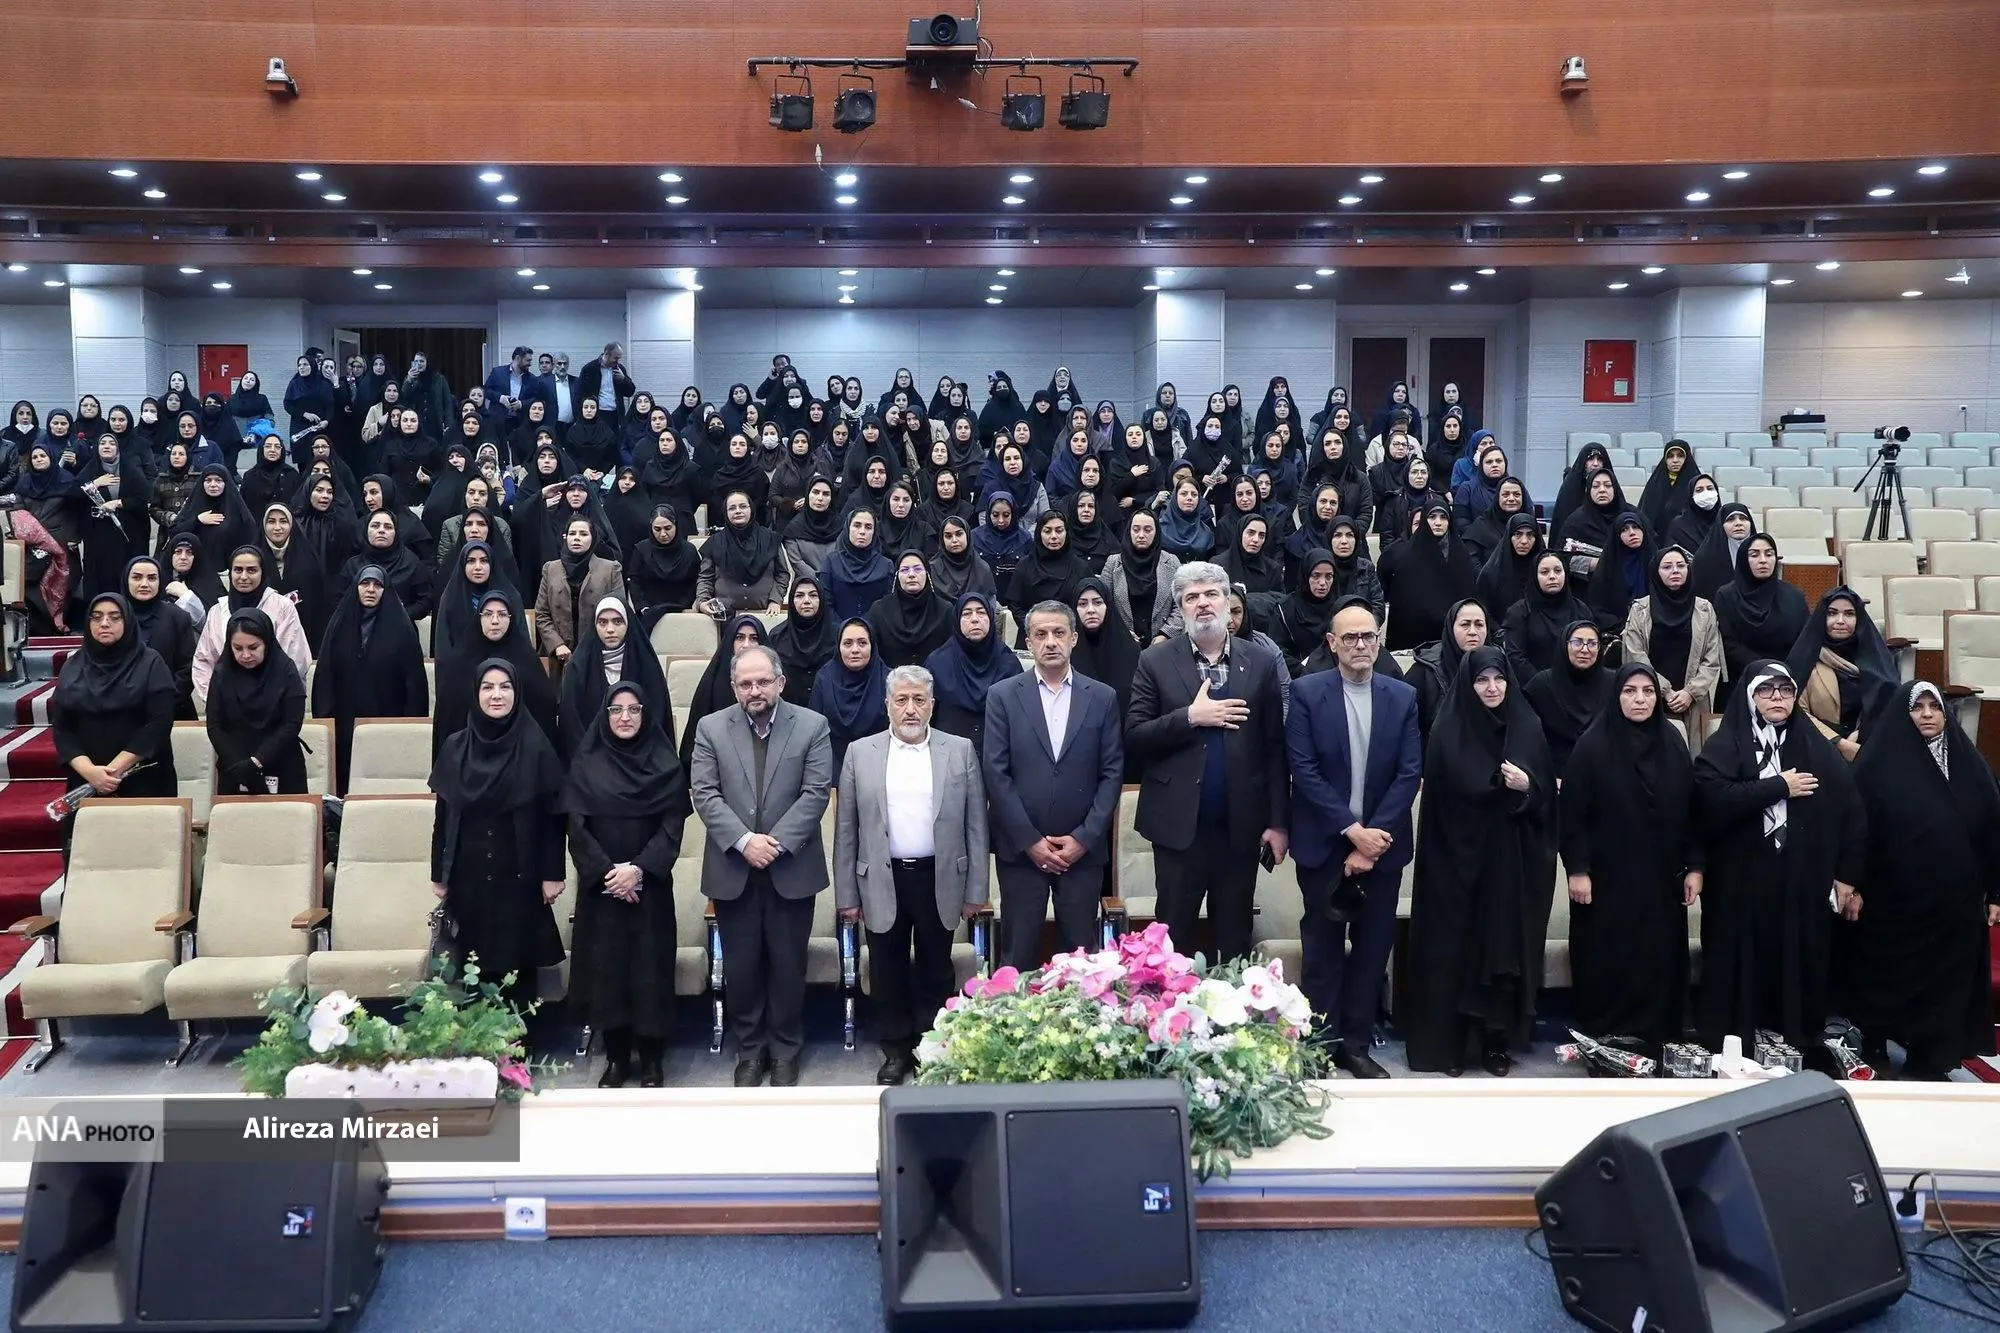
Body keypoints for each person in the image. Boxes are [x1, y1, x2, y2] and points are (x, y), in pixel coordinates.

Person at [1693, 662, 1865, 1057]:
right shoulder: (1725, 744)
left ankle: (1792, 1040)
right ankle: (1734, 1043)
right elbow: (1709, 800)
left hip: (1800, 880)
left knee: (1796, 959)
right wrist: (1776, 787)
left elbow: (1852, 813)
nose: (1777, 698)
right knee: (1738, 961)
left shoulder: (1815, 748)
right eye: (1766, 690)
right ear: (1750, 696)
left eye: (1785, 690)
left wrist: (1847, 875)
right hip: (1739, 880)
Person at [1124, 563, 1290, 965]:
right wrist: (1190, 718)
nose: (1202, 604)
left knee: (1233, 941)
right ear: (1180, 607)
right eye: (1191, 597)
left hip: (1240, 829)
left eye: (1211, 594)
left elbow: (1274, 748)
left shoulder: (1261, 661)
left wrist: (1279, 822)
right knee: (1172, 941)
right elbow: (1135, 736)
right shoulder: (1155, 660)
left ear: (1227, 601)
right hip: (1178, 830)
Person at [1403, 647, 1558, 1077]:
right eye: (1481, 680)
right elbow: (1441, 802)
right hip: (1456, 867)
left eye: (1499, 679)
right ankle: (1452, 1045)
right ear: (1468, 684)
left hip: (1509, 867)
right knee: (1456, 953)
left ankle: (1495, 1043)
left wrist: (1528, 786)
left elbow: (1546, 795)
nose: (1492, 688)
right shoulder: (1448, 728)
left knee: (1501, 952)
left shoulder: (1527, 726)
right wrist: (1488, 787)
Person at [1286, 601, 1422, 1078]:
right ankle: (1318, 1045)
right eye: (1350, 637)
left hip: (1382, 850)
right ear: (1332, 643)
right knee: (1322, 950)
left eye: (1368, 636)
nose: (1360, 645)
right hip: (1325, 845)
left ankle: (1357, 1046)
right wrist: (1351, 831)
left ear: (1379, 641)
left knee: (1371, 950)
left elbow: (1409, 773)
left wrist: (1371, 841)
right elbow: (1303, 770)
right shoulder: (1306, 693)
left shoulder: (1402, 696)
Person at [688, 643, 834, 1088]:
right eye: (745, 683)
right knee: (742, 967)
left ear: (780, 683)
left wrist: (776, 844)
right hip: (734, 869)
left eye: (763, 682)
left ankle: (786, 1050)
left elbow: (816, 793)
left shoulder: (812, 725)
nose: (755, 690)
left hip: (792, 869)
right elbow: (704, 793)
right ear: (734, 687)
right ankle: (750, 1050)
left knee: (788, 965)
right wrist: (745, 842)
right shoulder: (711, 728)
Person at [835, 665, 989, 1085]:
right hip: (881, 880)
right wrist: (847, 895)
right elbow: (846, 830)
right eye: (901, 700)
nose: (910, 709)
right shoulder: (859, 753)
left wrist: (976, 889)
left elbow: (976, 825)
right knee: (887, 969)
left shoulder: (959, 750)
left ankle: (931, 1048)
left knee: (936, 968)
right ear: (887, 705)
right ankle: (895, 1049)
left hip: (939, 876)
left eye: (919, 700)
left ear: (932, 705)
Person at [1841, 681, 2000, 1080]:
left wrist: (1995, 892)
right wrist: (1852, 883)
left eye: (1935, 706)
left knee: (1945, 984)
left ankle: (1930, 1057)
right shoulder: (1876, 764)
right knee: (1885, 978)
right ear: (1903, 713)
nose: (1928, 714)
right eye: (1918, 707)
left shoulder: (1969, 763)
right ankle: (1875, 1043)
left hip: (1955, 903)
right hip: (1892, 900)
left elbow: (1993, 829)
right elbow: (1855, 829)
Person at [1560, 664, 1702, 1056]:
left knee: (1657, 954)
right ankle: (1606, 1037)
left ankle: (1657, 1034)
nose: (1639, 699)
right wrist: (1578, 869)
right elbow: (1572, 816)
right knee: (1609, 955)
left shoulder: (1672, 742)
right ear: (1616, 695)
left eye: (1648, 691)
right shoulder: (1592, 746)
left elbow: (1693, 810)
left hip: (1661, 877)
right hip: (1606, 878)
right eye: (1629, 691)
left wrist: (1695, 865)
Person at [981, 602, 1125, 971]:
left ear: (1074, 638)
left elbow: (1111, 773)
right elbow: (996, 773)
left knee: (1081, 962)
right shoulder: (1002, 695)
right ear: (1028, 642)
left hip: (1082, 854)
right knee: (1018, 958)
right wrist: (1030, 841)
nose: (1050, 642)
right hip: (1021, 853)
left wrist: (1083, 839)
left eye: (1059, 633)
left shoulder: (1102, 697)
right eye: (1041, 634)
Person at [563, 683, 692, 1088]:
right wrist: (608, 873)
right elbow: (576, 828)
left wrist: (638, 871)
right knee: (607, 972)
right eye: (616, 709)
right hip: (601, 892)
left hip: (649, 890)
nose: (625, 717)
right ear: (604, 715)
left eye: (634, 709)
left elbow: (672, 826)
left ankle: (652, 1058)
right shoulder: (585, 764)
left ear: (646, 715)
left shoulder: (665, 765)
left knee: (649, 970)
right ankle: (616, 1058)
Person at [429, 659, 568, 1010]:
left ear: (517, 693)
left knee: (518, 968)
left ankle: (519, 1042)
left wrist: (553, 873)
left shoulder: (536, 746)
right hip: (468, 874)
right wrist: (439, 874)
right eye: (488, 687)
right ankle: (479, 1042)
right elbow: (443, 816)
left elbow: (554, 818)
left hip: (520, 874)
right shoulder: (455, 747)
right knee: (472, 968)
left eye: (505, 687)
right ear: (475, 694)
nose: (496, 695)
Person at [51, 593, 178, 807]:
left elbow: (158, 724)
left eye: (114, 617)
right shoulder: (73, 665)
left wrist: (114, 771)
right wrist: (90, 772)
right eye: (97, 617)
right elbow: (62, 728)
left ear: (127, 621)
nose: (104, 623)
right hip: (86, 779)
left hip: (142, 777)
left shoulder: (151, 663)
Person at [312, 565, 428, 792]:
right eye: (365, 583)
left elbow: (414, 684)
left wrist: (409, 725)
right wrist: (326, 720)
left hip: (389, 721)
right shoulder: (339, 625)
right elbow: (325, 676)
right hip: (345, 722)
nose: (371, 589)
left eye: (378, 585)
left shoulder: (402, 628)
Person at [434, 588, 558, 753]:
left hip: (520, 752)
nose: (495, 621)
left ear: (511, 618)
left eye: (502, 614)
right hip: (469, 753)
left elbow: (544, 709)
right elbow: (448, 716)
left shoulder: (527, 661)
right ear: (478, 618)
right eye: (487, 614)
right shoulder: (458, 663)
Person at [1620, 545, 1724, 741]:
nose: (1675, 571)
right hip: (1650, 694)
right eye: (1667, 567)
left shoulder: (1704, 609)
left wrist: (1689, 693)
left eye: (1681, 566)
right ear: (1656, 572)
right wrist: (1665, 691)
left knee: (1692, 752)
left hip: (1692, 700)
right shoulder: (1640, 609)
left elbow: (1711, 659)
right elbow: (1635, 655)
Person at [1784, 586, 1898, 761]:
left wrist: (1860, 736)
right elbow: (1795, 710)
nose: (1840, 621)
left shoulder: (1878, 661)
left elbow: (1889, 708)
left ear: (1859, 619)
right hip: (1817, 749)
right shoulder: (1805, 659)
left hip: (1870, 749)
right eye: (1832, 613)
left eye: (1849, 614)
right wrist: (1839, 743)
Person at [204, 608, 308, 795]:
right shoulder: (222, 673)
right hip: (234, 767)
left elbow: (291, 724)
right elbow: (214, 725)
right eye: (238, 648)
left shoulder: (285, 670)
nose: (245, 655)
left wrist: (256, 761)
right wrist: (239, 764)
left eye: (253, 648)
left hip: (282, 763)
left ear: (266, 643)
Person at [192, 546, 313, 705]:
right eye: (238, 570)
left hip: (275, 703)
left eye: (251, 570)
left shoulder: (282, 607)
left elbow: (295, 657)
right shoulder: (217, 611)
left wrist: (268, 698)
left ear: (263, 572)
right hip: (228, 705)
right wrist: (216, 699)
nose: (243, 576)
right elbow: (203, 661)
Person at [558, 596, 671, 759]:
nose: (610, 629)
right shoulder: (578, 667)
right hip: (590, 760)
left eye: (618, 622)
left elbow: (657, 719)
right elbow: (572, 724)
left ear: (628, 624)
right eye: (602, 622)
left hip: (641, 757)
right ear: (594, 626)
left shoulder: (646, 664)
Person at [925, 592, 1021, 757]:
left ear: (991, 618)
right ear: (957, 620)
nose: (975, 619)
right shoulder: (937, 663)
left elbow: (1018, 718)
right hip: (948, 755)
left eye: (981, 612)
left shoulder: (1008, 663)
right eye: (967, 614)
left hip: (997, 754)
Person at [1377, 501, 1477, 653]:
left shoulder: (1461, 553)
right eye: (1432, 517)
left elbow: (1468, 593)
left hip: (1451, 637)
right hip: (1411, 638)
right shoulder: (1404, 555)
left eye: (1443, 517)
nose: (1438, 522)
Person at [1713, 534, 1810, 684]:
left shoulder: (1794, 596)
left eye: (1769, 554)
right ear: (1743, 560)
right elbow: (1727, 643)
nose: (1763, 560)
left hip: (1789, 675)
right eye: (1754, 555)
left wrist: (1784, 671)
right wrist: (1765, 669)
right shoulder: (1726, 596)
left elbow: (1805, 639)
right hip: (1743, 677)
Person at [1524, 620, 1614, 779]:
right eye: (1577, 642)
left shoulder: (1614, 683)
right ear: (1564, 645)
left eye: (1592, 644)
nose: (1585, 649)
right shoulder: (1542, 685)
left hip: (1604, 775)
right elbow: (1526, 737)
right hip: (1553, 776)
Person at [534, 516, 628, 667]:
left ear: (593, 538)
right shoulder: (551, 569)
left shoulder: (611, 569)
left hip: (598, 652)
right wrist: (557, 644)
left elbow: (619, 612)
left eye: (583, 534)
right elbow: (541, 613)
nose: (577, 538)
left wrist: (597, 643)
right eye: (572, 534)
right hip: (560, 654)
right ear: (565, 537)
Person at [809, 617, 889, 778]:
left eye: (862, 643)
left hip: (881, 766)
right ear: (838, 647)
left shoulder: (888, 680)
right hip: (832, 766)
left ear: (873, 646)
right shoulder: (824, 678)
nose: (855, 650)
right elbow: (814, 730)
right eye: (847, 643)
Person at [123, 555, 198, 719]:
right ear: (126, 581)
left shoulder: (178, 617)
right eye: (137, 577)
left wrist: (165, 703)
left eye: (152, 578)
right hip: (123, 712)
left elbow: (187, 668)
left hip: (172, 710)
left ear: (160, 581)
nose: (144, 584)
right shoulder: (115, 617)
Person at [1502, 552, 1592, 685]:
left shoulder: (1581, 610)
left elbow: (1590, 651)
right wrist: (1545, 685)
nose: (1552, 576)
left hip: (1577, 685)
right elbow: (1515, 657)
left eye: (1558, 571)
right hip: (1533, 688)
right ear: (1535, 576)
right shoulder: (1519, 612)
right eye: (1545, 572)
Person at [1407, 599, 1488, 746]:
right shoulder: (1424, 672)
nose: (1473, 632)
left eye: (1479, 624)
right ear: (1451, 628)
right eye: (1465, 624)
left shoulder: (1498, 666)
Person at [869, 551, 953, 668]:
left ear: (927, 574)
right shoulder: (879, 611)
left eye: (918, 569)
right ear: (897, 576)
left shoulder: (944, 610)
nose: (911, 574)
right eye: (904, 570)